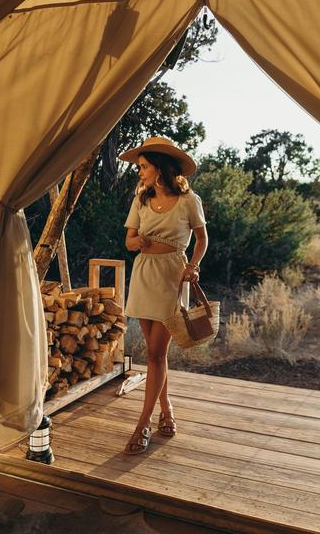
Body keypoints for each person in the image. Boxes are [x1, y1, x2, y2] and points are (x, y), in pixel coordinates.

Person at [118, 136, 208, 455]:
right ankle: (166, 410)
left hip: (173, 275)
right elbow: (128, 240)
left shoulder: (188, 200)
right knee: (156, 356)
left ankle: (142, 424)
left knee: (156, 351)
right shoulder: (141, 200)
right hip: (145, 272)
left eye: (143, 167)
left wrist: (194, 266)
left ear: (160, 168)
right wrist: (138, 241)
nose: (139, 172)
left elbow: (201, 239)